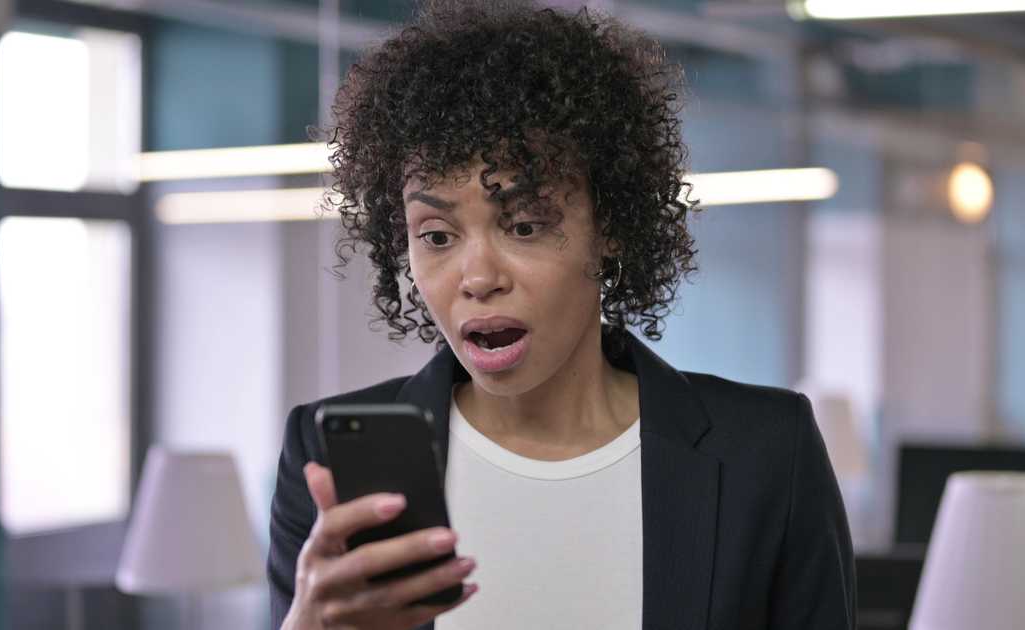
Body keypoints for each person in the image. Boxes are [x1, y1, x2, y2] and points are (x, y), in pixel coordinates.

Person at [268, 1, 856, 629]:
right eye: (436, 235)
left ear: (611, 227)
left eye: (524, 225)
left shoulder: (765, 454)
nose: (478, 278)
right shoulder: (329, 464)